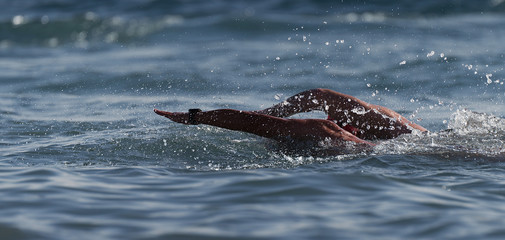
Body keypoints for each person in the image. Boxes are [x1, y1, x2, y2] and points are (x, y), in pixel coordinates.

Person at [154, 88, 427, 147]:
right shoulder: (393, 126)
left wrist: (194, 117)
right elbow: (319, 94)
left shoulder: (323, 131)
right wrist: (269, 113)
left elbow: (252, 124)